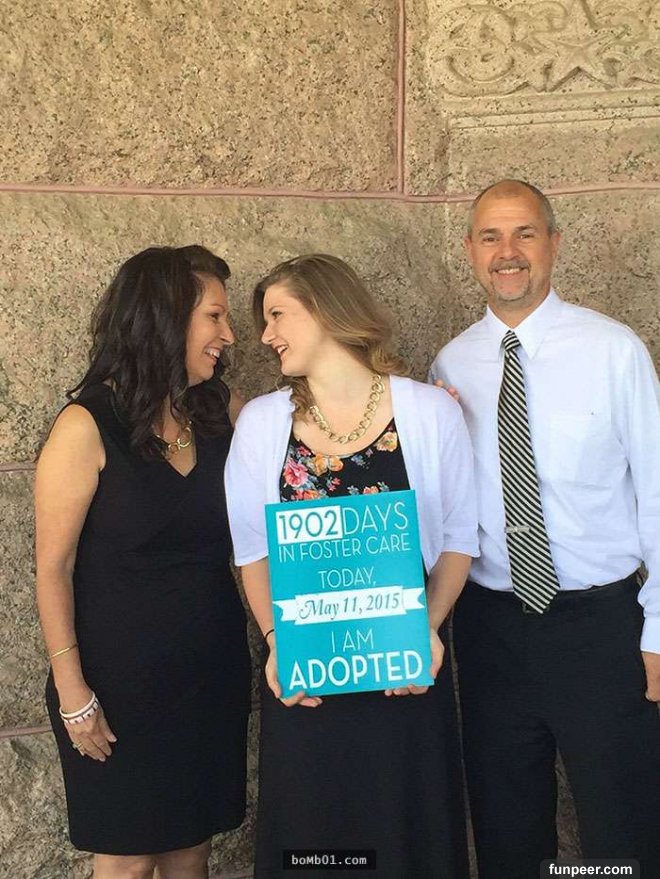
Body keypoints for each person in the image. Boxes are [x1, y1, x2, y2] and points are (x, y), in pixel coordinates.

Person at [430, 179, 660, 879]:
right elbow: (444, 508)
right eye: (491, 236)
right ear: (470, 249)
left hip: (602, 628)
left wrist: (659, 629)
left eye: (525, 233)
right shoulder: (450, 364)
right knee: (507, 832)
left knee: (625, 830)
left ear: (554, 243)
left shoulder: (613, 350)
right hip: (491, 628)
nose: (508, 252)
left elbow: (658, 490)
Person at [225, 254, 479, 878]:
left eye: (277, 315)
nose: (266, 335)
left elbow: (458, 539)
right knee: (316, 846)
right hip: (306, 681)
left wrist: (424, 630)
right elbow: (253, 551)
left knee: (405, 841)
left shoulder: (431, 412)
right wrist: (277, 641)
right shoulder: (261, 424)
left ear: (325, 309)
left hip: (405, 675)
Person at [35, 246, 251, 879]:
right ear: (166, 318)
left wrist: (412, 408)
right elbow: (53, 567)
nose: (229, 336)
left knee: (192, 853)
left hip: (209, 674)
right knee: (126, 860)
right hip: (114, 688)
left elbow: (315, 449)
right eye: (215, 317)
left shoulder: (222, 411)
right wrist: (73, 692)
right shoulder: (86, 425)